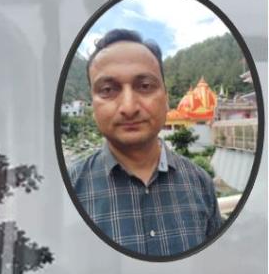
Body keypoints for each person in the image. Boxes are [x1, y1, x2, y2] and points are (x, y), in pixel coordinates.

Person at [69, 28, 222, 257]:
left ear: (166, 99)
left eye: (145, 86)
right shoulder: (69, 190)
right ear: (92, 106)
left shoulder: (201, 184)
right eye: (108, 90)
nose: (129, 107)